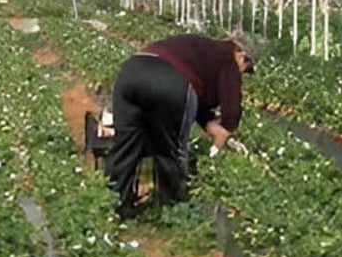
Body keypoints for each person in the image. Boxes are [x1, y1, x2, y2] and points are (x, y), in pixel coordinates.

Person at [106, 33, 254, 219]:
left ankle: (115, 206)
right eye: (246, 67)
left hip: (131, 72)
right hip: (168, 80)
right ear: (241, 54)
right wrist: (225, 132)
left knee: (125, 146)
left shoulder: (203, 49)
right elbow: (231, 108)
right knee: (171, 149)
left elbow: (199, 97)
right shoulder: (228, 57)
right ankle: (174, 208)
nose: (241, 72)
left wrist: (207, 121)